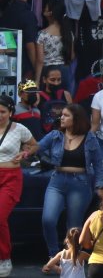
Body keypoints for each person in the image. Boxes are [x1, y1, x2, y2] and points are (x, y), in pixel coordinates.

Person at [38, 103, 103, 262]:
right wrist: (34, 155)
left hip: (80, 183)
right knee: (48, 219)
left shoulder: (90, 138)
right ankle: (53, 255)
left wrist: (99, 186)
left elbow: (98, 164)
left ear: (76, 119)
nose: (61, 117)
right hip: (57, 180)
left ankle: (69, 259)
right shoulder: (55, 135)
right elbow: (36, 147)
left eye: (66, 115)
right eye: (62, 115)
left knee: (73, 226)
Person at [0, 93, 38, 275]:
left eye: (2, 112)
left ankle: (4, 257)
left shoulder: (19, 129)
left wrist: (24, 154)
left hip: (11, 177)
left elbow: (34, 145)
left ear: (10, 112)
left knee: (0, 217)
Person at [37, 1, 73, 94]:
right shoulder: (68, 33)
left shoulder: (42, 34)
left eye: (46, 8)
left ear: (50, 13)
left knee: (48, 100)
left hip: (48, 71)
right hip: (65, 71)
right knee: (65, 100)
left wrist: (37, 80)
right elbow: (72, 56)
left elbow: (40, 60)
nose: (43, 9)